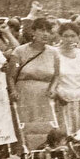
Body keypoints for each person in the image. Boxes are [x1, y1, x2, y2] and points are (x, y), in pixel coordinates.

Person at [7, 17, 61, 150]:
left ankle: (45, 158)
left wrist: (53, 88)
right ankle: (27, 157)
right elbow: (11, 76)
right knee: (26, 129)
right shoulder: (19, 51)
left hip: (44, 97)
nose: (45, 34)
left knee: (46, 128)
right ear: (33, 32)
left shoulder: (54, 52)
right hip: (24, 96)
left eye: (48, 31)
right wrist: (13, 91)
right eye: (41, 30)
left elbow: (56, 75)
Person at [52, 22, 80, 135]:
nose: (69, 39)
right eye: (66, 36)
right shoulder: (54, 53)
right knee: (63, 135)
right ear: (60, 37)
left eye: (73, 36)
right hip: (61, 101)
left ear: (78, 37)